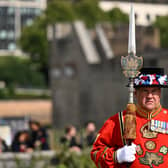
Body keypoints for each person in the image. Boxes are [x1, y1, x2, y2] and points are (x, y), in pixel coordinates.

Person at [91, 67, 168, 168]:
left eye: (154, 91)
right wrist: (117, 156)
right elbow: (96, 153)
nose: (150, 96)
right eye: (145, 91)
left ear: (159, 93)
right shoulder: (118, 121)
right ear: (135, 93)